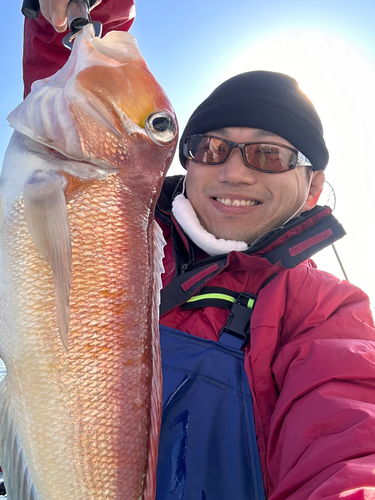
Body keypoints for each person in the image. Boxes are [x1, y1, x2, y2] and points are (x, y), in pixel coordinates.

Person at [22, 2, 375, 499]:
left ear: (313, 186)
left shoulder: (322, 310)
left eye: (269, 155)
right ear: (188, 162)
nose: (234, 172)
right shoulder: (114, 228)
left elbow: (348, 442)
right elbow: (76, 107)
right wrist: (83, 16)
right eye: (211, 148)